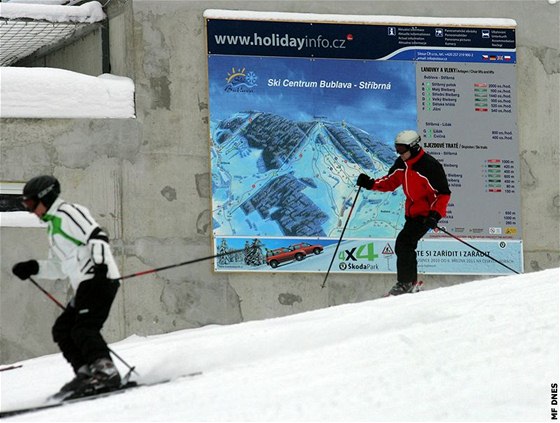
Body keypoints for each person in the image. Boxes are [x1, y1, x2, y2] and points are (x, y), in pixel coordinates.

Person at [11, 175, 122, 396]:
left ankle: (106, 372)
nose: (30, 210)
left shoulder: (69, 213)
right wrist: (33, 267)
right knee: (63, 330)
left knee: (84, 328)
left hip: (99, 280)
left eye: (31, 204)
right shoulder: (53, 227)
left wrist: (100, 269)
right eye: (26, 205)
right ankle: (86, 373)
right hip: (85, 284)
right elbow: (60, 268)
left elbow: (97, 236)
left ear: (46, 197)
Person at [356, 130, 451, 295]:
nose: (398, 153)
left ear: (413, 147)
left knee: (404, 242)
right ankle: (411, 284)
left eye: (401, 149)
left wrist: (434, 215)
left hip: (425, 215)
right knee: (406, 244)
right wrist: (370, 184)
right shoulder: (402, 164)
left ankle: (406, 283)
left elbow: (443, 193)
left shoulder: (429, 166)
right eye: (397, 148)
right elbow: (390, 182)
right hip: (412, 214)